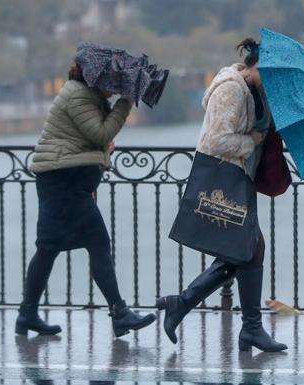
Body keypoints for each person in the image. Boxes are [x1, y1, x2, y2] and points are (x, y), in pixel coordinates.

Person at [157, 38, 288, 352]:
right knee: (249, 249)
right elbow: (217, 141)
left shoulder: (257, 91)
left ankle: (188, 304)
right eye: (270, 72)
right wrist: (253, 139)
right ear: (255, 65)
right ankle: (248, 328)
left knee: (245, 250)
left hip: (239, 177)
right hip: (223, 178)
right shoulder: (231, 89)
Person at [15, 62, 156, 338]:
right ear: (95, 78)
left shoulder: (85, 96)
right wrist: (127, 101)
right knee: (98, 243)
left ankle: (27, 314)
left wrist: (101, 152)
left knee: (48, 248)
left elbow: (91, 140)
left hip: (66, 181)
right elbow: (101, 133)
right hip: (63, 183)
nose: (114, 88)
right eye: (112, 82)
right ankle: (120, 313)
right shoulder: (77, 95)